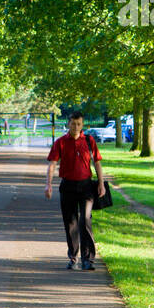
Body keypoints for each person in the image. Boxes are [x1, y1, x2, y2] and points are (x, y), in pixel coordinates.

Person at [45, 111, 106, 270]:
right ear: (68, 123)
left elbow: (97, 163)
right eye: (73, 124)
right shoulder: (60, 142)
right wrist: (48, 184)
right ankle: (73, 257)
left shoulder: (89, 140)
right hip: (67, 186)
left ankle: (88, 259)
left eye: (79, 124)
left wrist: (101, 183)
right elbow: (52, 164)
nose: (76, 127)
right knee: (70, 223)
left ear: (82, 125)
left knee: (85, 220)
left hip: (86, 187)